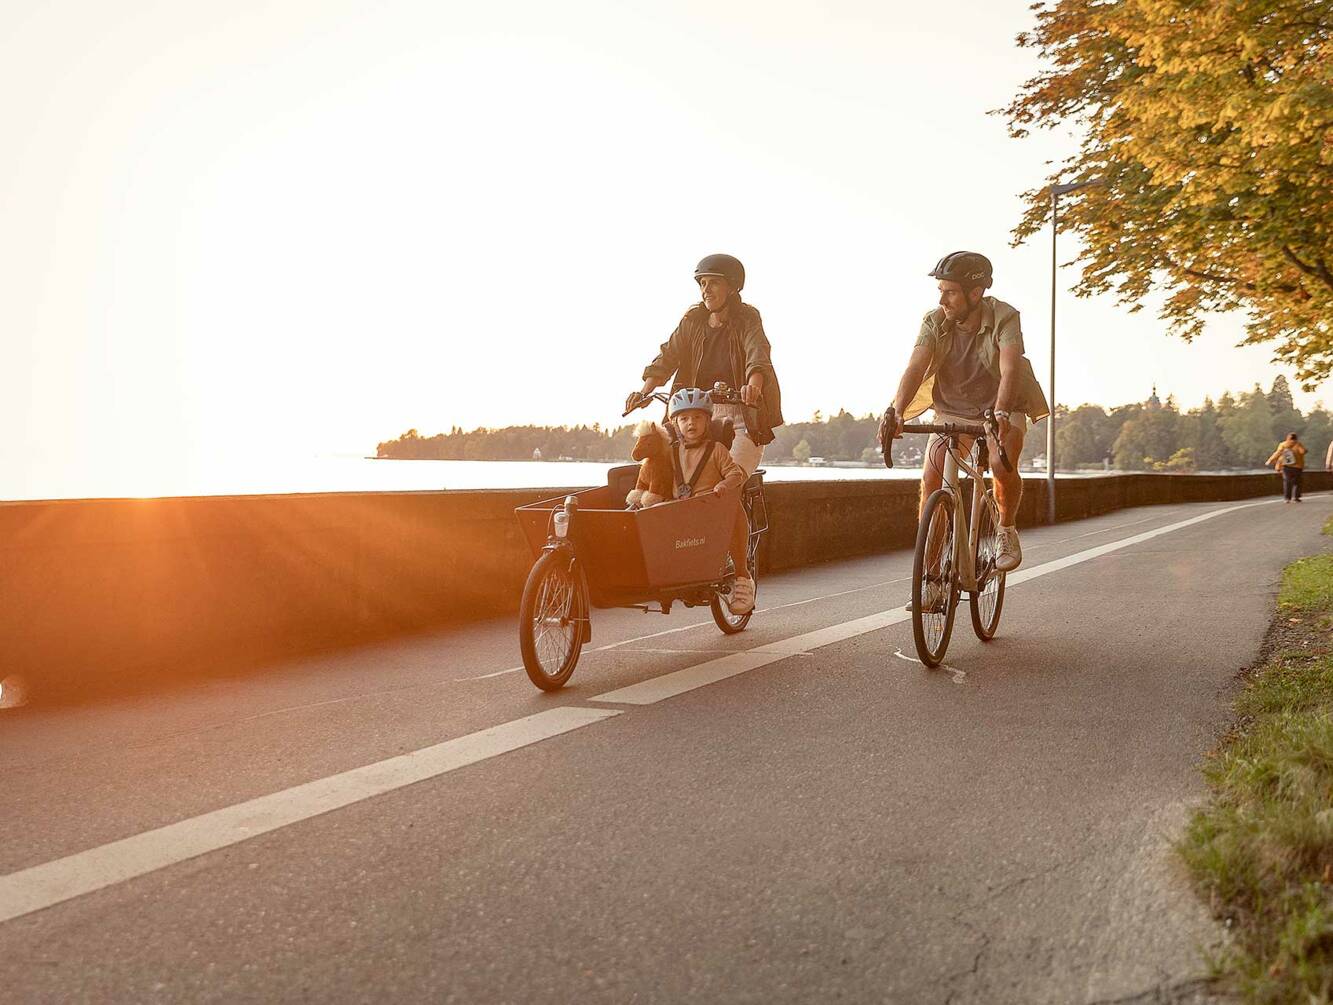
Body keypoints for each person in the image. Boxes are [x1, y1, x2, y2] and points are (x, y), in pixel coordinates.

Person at [881, 251, 1050, 607]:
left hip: (1000, 407)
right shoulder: (934, 321)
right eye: (940, 291)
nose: (942, 300)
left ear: (976, 293)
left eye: (951, 292)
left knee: (1003, 464)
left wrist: (1002, 412)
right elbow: (915, 366)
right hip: (950, 410)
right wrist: (897, 412)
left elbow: (1010, 368)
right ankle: (932, 580)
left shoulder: (1004, 316)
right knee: (932, 483)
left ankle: (1005, 529)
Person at [626, 254, 784, 480]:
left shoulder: (747, 319)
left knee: (728, 480)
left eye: (714, 283)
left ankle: (732, 514)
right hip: (694, 413)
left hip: (741, 414)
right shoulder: (693, 321)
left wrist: (753, 387)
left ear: (731, 287)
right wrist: (643, 392)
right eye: (702, 283)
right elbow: (668, 355)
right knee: (660, 470)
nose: (706, 290)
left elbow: (757, 352)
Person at [665, 388, 754, 613]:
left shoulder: (717, 450)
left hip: (708, 508)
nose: (690, 423)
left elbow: (735, 473)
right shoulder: (671, 451)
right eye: (683, 419)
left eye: (697, 418)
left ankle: (742, 577)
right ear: (675, 424)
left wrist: (723, 485)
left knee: (733, 505)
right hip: (680, 510)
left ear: (708, 421)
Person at [1267, 432, 1307, 503]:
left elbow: (1277, 453)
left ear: (1287, 438)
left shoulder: (1283, 445)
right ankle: (1296, 497)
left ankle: (1287, 498)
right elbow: (1303, 452)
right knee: (1297, 483)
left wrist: (1270, 460)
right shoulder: (1298, 444)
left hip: (1286, 466)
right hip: (1297, 467)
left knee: (1287, 482)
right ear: (1296, 439)